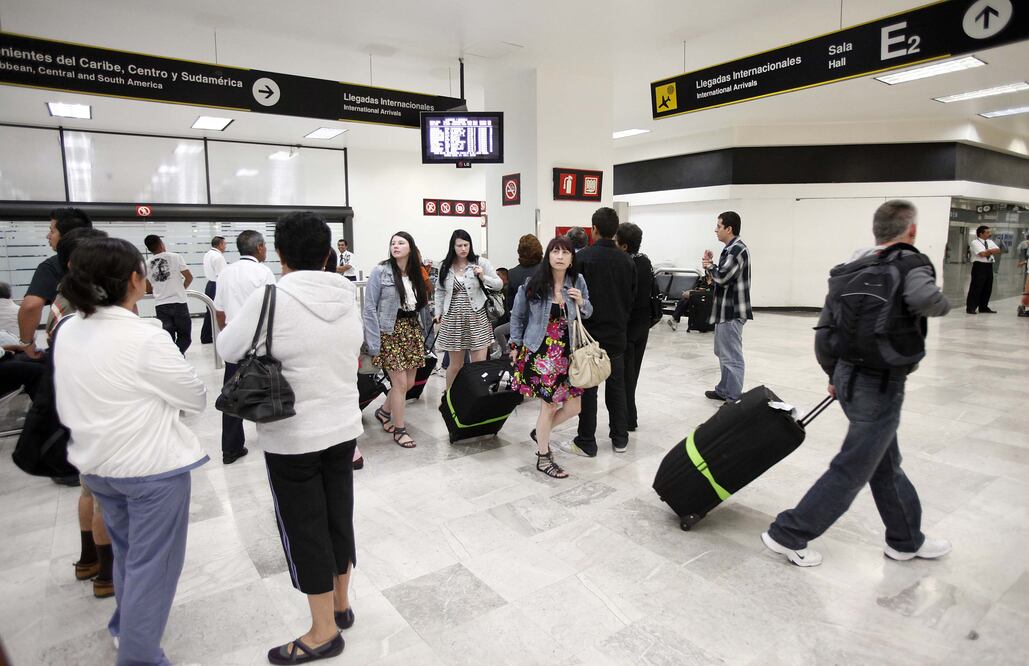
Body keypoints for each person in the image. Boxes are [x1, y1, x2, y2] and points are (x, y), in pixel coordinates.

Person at [762, 200, 952, 568]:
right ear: (911, 230)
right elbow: (926, 299)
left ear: (876, 231)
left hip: (847, 377)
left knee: (884, 463)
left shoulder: (852, 268)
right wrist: (945, 303)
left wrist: (834, 375)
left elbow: (825, 330)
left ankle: (906, 539)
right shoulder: (910, 262)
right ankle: (789, 532)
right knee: (853, 467)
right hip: (880, 385)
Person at [55, 237, 208, 665]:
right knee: (154, 566)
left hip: (98, 466)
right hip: (150, 470)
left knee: (128, 554)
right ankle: (140, 656)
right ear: (134, 280)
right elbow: (194, 397)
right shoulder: (144, 337)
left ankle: (126, 628)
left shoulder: (68, 329)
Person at [218, 212, 362, 664]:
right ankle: (340, 606)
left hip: (293, 434)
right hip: (343, 427)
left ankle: (323, 632)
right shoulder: (347, 294)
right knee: (338, 518)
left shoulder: (271, 297)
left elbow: (227, 348)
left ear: (279, 254)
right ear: (327, 253)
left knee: (304, 528)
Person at [509, 236, 592, 478]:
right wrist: (514, 344)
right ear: (548, 256)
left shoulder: (577, 281)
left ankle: (540, 432)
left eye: (565, 252)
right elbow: (517, 316)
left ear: (572, 258)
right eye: (555, 251)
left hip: (569, 354)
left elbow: (588, 312)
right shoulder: (533, 283)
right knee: (549, 406)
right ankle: (543, 457)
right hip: (542, 353)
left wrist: (581, 302)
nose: (560, 256)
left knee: (574, 407)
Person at [568, 207, 636, 456]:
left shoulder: (583, 258)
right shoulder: (627, 261)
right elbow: (631, 298)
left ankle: (587, 440)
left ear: (594, 229)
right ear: (615, 231)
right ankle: (620, 438)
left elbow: (575, 297)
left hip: (589, 335)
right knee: (617, 387)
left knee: (589, 388)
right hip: (617, 334)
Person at [362, 232, 433, 448]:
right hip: (389, 331)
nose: (396, 246)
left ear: (410, 247)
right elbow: (369, 307)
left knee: (408, 384)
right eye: (393, 243)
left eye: (401, 243)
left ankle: (384, 412)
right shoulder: (380, 271)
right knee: (400, 384)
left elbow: (422, 307)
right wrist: (373, 342)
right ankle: (400, 429)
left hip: (411, 330)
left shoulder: (416, 273)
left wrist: (427, 333)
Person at [213, 230, 276, 465]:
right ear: (259, 247)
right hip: (259, 344)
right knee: (270, 391)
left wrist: (228, 333)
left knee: (232, 394)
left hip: (234, 343)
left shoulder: (225, 272)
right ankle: (274, 440)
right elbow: (273, 309)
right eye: (264, 246)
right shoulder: (263, 272)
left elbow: (219, 311)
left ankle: (231, 448)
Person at [16, 207, 93, 360]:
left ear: (66, 236)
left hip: (69, 348)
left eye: (52, 231)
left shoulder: (53, 265)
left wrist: (26, 344)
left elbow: (31, 306)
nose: (48, 236)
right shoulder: (108, 259)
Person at [434, 229, 502, 389]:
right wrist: (438, 312)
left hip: (477, 317)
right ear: (453, 246)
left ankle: (476, 397)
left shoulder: (480, 262)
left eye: (466, 245)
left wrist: (483, 277)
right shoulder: (445, 265)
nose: (463, 249)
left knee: (478, 365)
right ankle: (450, 397)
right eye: (459, 245)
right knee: (455, 365)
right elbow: (440, 291)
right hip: (453, 319)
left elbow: (499, 284)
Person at [702, 211, 752, 402]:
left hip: (732, 311)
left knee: (732, 357)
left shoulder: (737, 250)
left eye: (719, 226)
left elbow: (722, 277)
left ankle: (733, 398)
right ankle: (724, 390)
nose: (716, 230)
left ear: (729, 229)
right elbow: (719, 279)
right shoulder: (730, 249)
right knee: (723, 352)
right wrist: (709, 265)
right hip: (725, 310)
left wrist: (709, 266)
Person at [615, 222, 654, 432]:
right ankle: (630, 416)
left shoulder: (624, 265)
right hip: (643, 325)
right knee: (633, 374)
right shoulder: (645, 262)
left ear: (624, 246)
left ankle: (629, 419)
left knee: (624, 377)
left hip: (628, 327)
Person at [144, 234, 194, 355]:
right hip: (179, 303)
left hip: (161, 306)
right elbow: (189, 277)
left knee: (168, 338)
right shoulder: (175, 257)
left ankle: (173, 358)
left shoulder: (147, 264)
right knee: (185, 337)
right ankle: (178, 357)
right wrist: (181, 288)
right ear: (161, 244)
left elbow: (148, 288)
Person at [965, 224, 1002, 314]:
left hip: (989, 265)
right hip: (979, 266)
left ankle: (983, 307)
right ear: (981, 234)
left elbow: (998, 250)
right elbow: (982, 254)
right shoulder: (975, 242)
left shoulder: (990, 241)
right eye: (987, 232)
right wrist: (990, 251)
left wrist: (988, 251)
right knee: (976, 287)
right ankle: (971, 307)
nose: (989, 234)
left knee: (987, 287)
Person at [200, 236, 227, 343]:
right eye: (224, 244)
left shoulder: (208, 254)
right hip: (216, 285)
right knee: (219, 311)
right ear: (220, 244)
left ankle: (206, 336)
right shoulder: (218, 257)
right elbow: (221, 275)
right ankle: (210, 336)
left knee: (210, 312)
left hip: (210, 284)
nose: (225, 246)